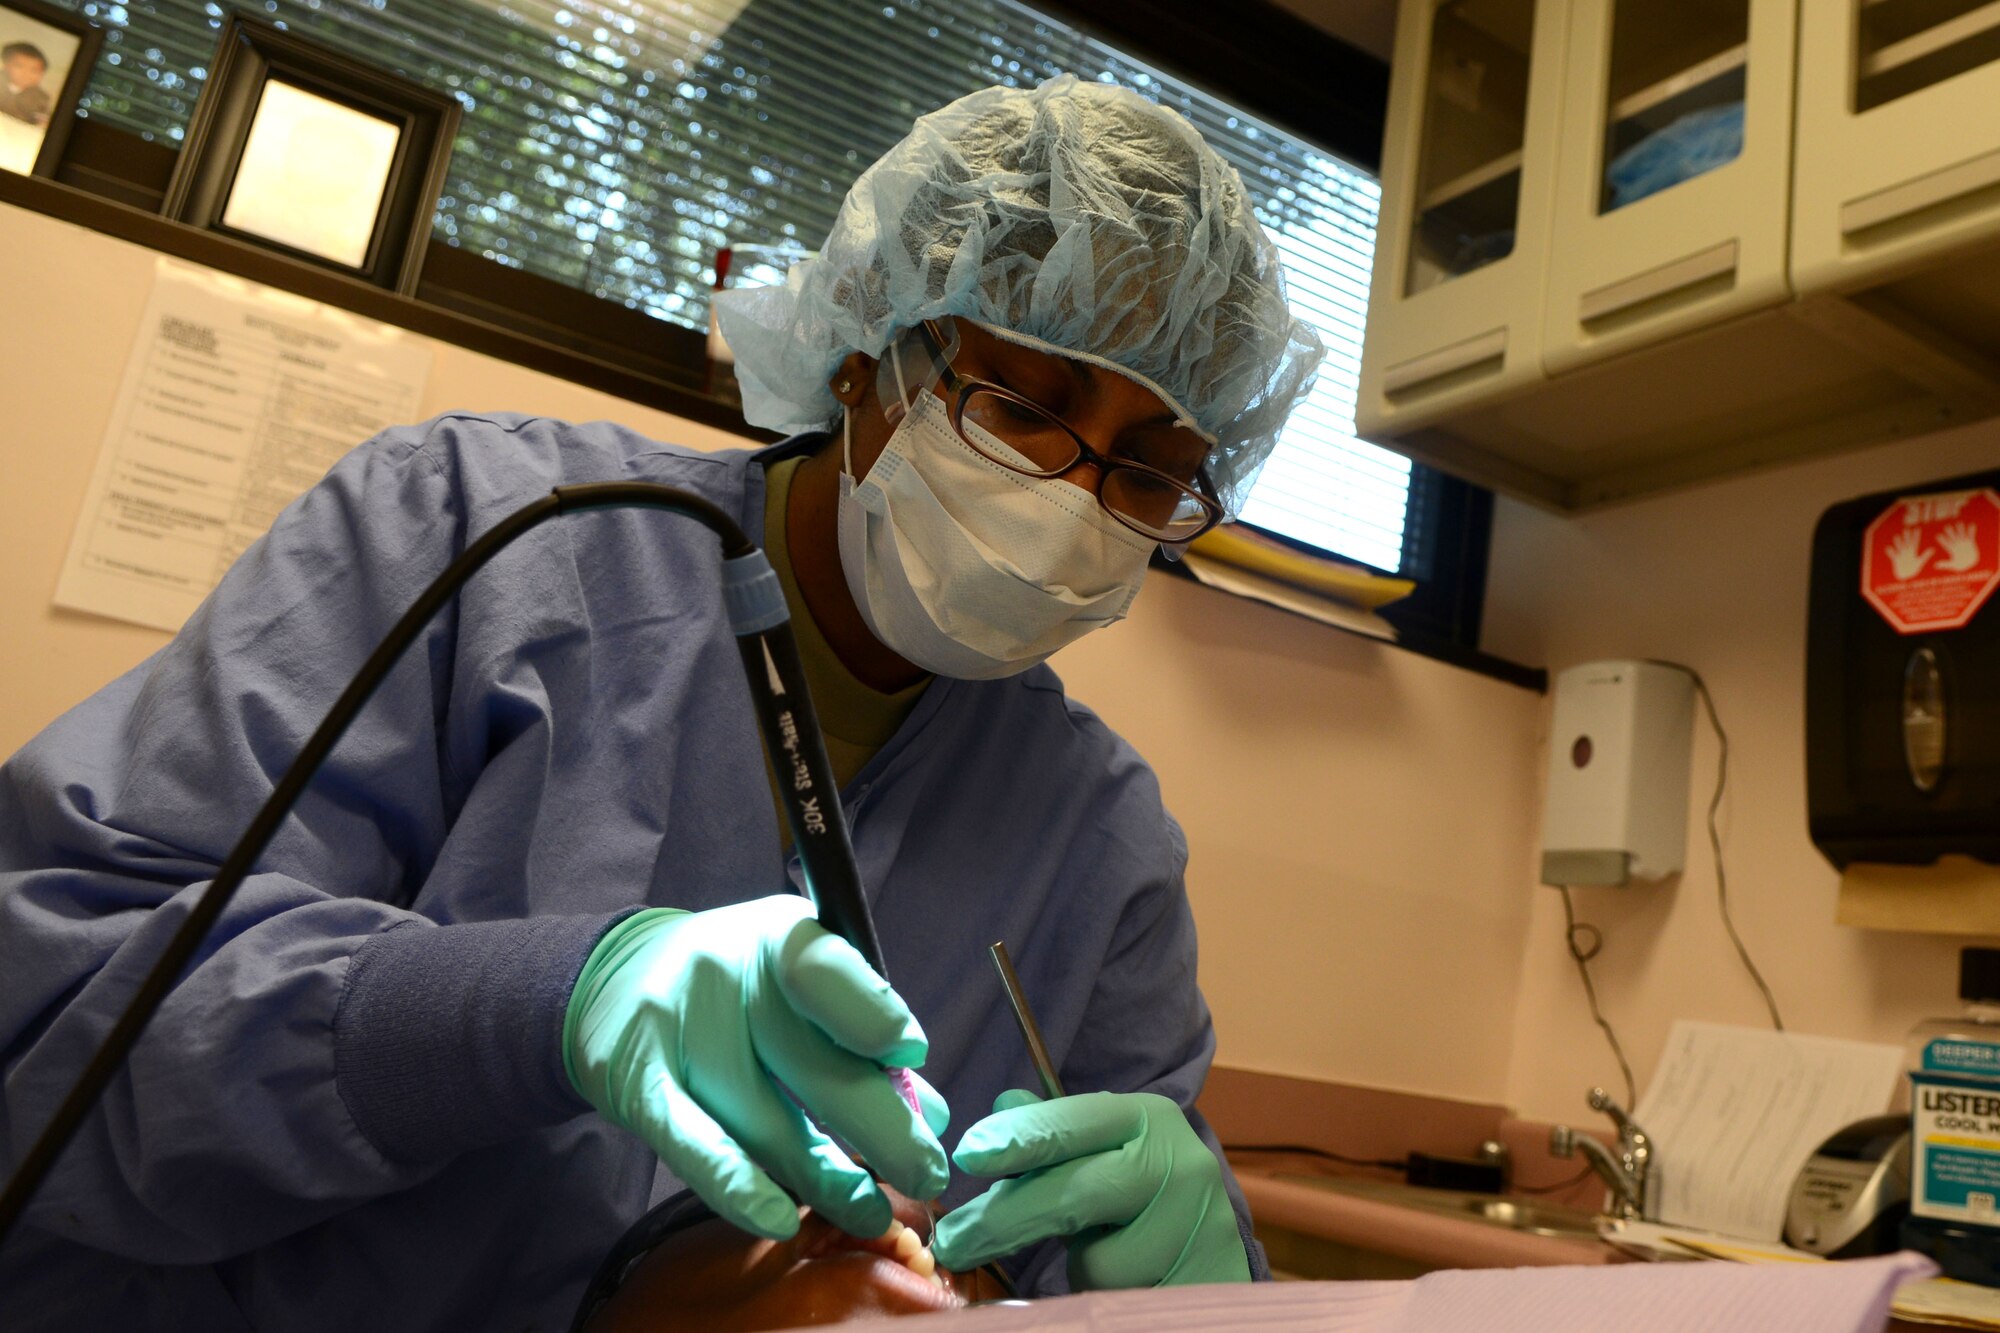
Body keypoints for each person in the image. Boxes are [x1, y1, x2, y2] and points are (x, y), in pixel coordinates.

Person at [0, 75, 1322, 1330]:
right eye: (1026, 403)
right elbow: (47, 1022)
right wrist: (536, 1004)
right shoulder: (472, 539)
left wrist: (1191, 1282)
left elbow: (1077, 1250)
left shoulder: (1100, 842)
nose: (1074, 497)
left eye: (1151, 472)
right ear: (869, 349)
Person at [0, 42, 50, 127]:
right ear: (6, 65)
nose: (26, 73)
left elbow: (40, 119)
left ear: (42, 75)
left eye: (34, 70)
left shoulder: (41, 97)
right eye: (19, 66)